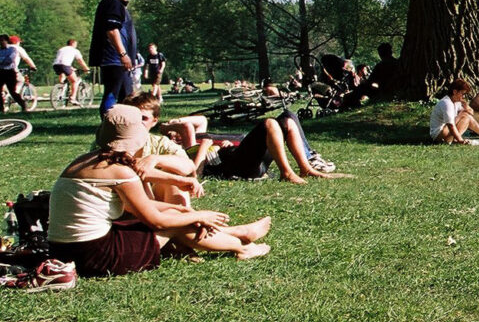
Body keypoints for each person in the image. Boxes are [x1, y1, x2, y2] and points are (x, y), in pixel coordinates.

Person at [47, 105, 273, 276]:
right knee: (174, 224)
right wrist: (198, 215)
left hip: (64, 252)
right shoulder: (119, 171)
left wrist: (181, 211)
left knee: (176, 216)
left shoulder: (84, 161)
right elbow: (155, 221)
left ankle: (238, 235)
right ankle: (242, 247)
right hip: (96, 257)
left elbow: (135, 207)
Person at [201, 109, 347, 182]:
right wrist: (214, 146)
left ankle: (306, 169)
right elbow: (193, 125)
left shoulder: (198, 134)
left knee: (288, 118)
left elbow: (198, 122)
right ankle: (287, 173)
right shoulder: (189, 145)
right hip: (236, 165)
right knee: (269, 123)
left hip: (248, 156)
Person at [89, 0, 138, 116]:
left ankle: (124, 126)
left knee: (126, 95)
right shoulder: (113, 3)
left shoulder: (112, 3)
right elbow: (111, 31)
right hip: (114, 58)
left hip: (117, 59)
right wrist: (123, 54)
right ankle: (107, 125)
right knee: (112, 93)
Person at [430, 79, 479, 144]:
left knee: (466, 116)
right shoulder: (446, 103)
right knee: (464, 114)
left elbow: (471, 113)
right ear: (455, 92)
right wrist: (460, 140)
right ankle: (457, 139)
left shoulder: (456, 102)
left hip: (446, 132)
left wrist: (465, 105)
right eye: (462, 94)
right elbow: (450, 125)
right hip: (439, 135)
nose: (463, 97)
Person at [0, 35, 31, 113]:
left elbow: (10, 59)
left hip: (10, 71)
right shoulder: (0, 51)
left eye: (2, 40)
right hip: (1, 71)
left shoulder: (12, 49)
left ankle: (23, 105)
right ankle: (1, 109)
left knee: (12, 91)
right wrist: (3, 59)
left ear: (7, 41)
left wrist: (2, 60)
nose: (1, 42)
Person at [53, 38, 88, 105]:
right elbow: (80, 61)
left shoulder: (61, 49)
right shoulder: (75, 50)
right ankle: (73, 98)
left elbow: (61, 60)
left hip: (56, 65)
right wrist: (86, 68)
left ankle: (61, 88)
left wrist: (71, 67)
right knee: (74, 81)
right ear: (73, 44)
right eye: (76, 44)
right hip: (65, 65)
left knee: (63, 76)